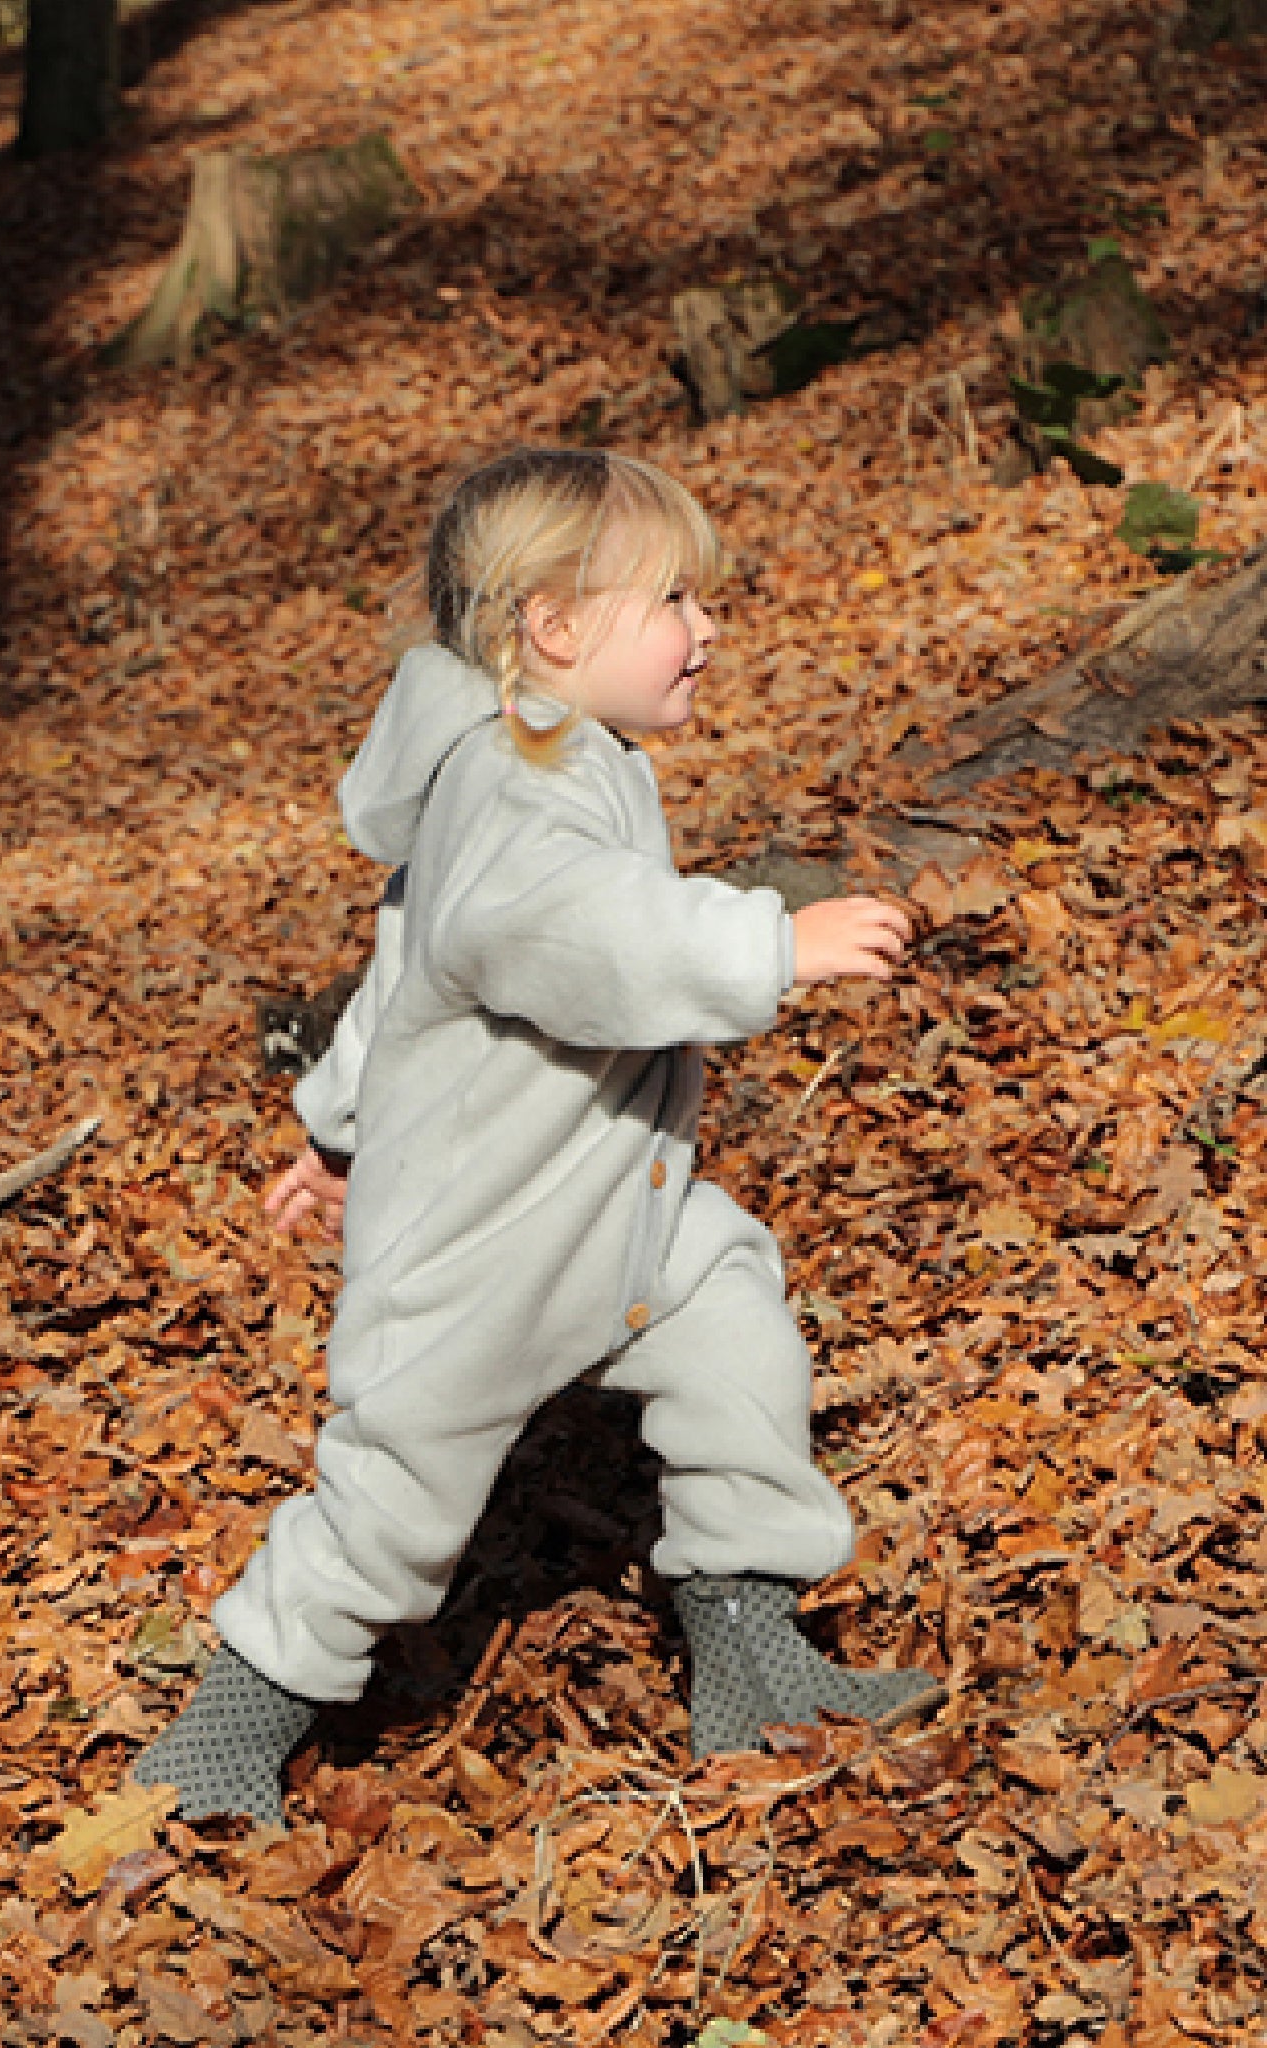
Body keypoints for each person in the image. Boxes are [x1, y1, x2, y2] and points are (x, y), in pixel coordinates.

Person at [132, 447, 943, 1829]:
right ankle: (216, 1741)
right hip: (480, 1243)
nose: (708, 627)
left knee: (726, 1302)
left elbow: (403, 965)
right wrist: (767, 939)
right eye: (672, 599)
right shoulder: (517, 778)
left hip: (604, 1201)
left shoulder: (556, 753)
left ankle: (748, 1647)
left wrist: (331, 1127)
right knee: (388, 1507)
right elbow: (555, 931)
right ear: (552, 628)